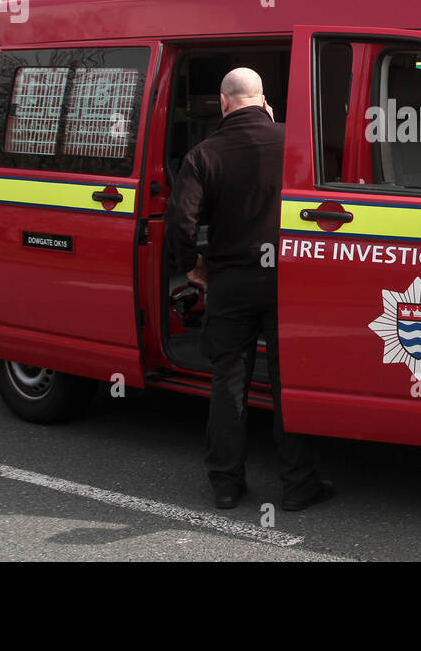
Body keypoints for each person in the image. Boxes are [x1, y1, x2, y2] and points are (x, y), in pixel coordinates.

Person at [165, 67, 331, 512]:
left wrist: (192, 268)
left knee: (229, 382)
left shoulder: (203, 154)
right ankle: (299, 485)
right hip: (288, 280)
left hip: (231, 282)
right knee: (287, 382)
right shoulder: (295, 141)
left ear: (223, 103)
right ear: (263, 102)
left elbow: (180, 223)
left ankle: (225, 484)